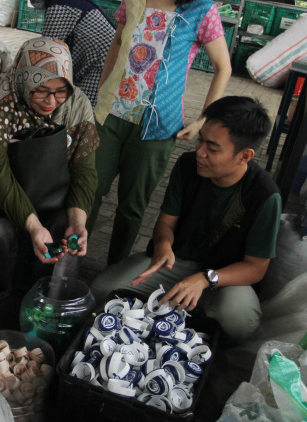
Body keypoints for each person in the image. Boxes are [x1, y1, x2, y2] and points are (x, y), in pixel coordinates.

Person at [91, 96, 280, 341]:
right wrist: (163, 246)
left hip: (224, 277)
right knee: (102, 290)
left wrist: (204, 280)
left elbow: (255, 268)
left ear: (244, 156)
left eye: (212, 149)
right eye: (201, 139)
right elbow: (166, 223)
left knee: (239, 321)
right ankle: (178, 305)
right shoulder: (187, 166)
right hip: (176, 263)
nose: (200, 152)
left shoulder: (264, 195)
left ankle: (201, 320)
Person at [0, 37, 98, 327]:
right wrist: (33, 225)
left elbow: (84, 171)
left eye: (61, 91)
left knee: (69, 234)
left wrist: (79, 221)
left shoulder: (77, 106)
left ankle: (51, 313)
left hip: (50, 198)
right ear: (25, 81)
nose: (51, 102)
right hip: (0, 201)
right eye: (41, 91)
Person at [88, 0, 232, 266]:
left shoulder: (201, 9)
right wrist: (102, 89)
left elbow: (223, 67)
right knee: (88, 191)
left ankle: (113, 271)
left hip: (158, 126)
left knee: (132, 206)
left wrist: (204, 120)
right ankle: (71, 261)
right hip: (110, 116)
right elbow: (119, 41)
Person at [34, 0, 116, 107]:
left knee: (78, 111)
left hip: (101, 68)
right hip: (99, 66)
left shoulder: (61, 6)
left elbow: (46, 54)